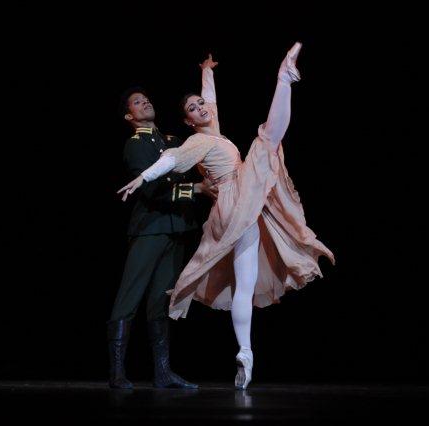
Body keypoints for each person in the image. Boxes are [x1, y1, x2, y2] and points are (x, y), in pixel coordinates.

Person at [118, 43, 335, 390]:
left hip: (236, 203)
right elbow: (172, 159)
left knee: (244, 285)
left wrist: (208, 72)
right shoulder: (197, 143)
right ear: (188, 121)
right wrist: (144, 177)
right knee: (266, 140)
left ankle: (245, 354)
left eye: (201, 105)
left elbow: (210, 101)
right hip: (237, 198)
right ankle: (284, 78)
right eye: (193, 109)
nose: (201, 108)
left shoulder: (212, 130)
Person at [108, 87, 216, 389]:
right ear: (130, 116)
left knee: (161, 301)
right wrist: (195, 190)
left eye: (146, 99)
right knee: (129, 297)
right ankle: (117, 374)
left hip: (177, 228)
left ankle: (163, 372)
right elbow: (149, 189)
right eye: (137, 103)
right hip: (151, 228)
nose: (145, 103)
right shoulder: (135, 145)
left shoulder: (170, 140)